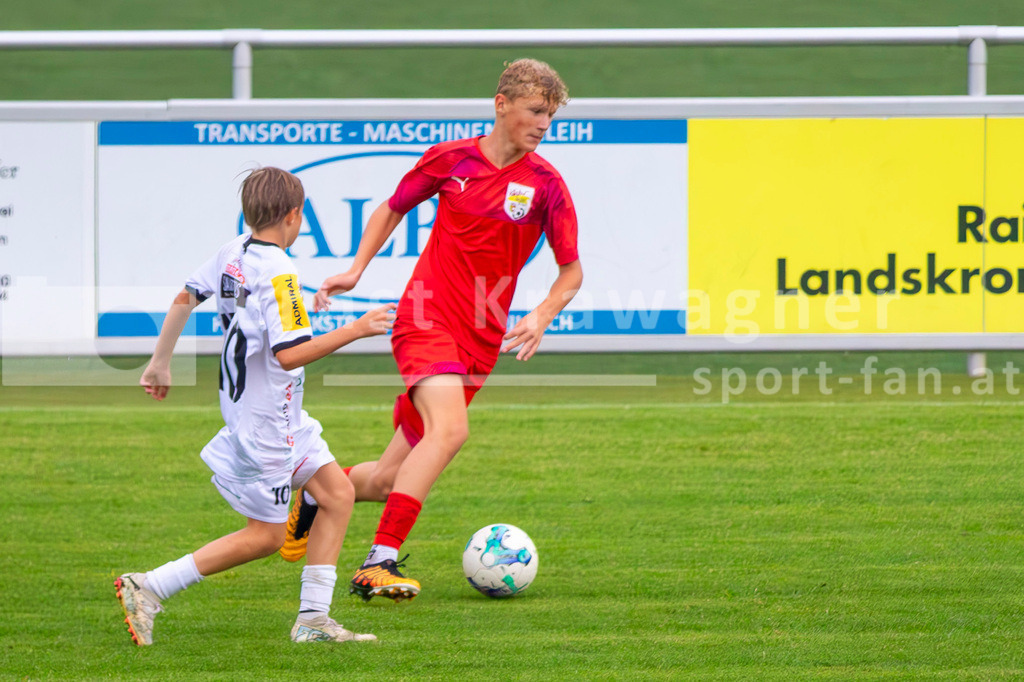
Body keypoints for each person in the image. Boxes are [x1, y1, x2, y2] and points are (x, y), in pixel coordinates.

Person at [280, 58, 583, 603]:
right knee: (451, 431)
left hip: (482, 340)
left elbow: (572, 271)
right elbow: (391, 209)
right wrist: (355, 269)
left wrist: (541, 313)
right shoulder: (450, 159)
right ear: (502, 104)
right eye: (536, 111)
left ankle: (315, 494)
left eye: (551, 116)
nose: (543, 124)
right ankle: (379, 562)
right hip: (426, 318)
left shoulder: (546, 186)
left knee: (385, 480)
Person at [115, 167, 395, 645]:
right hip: (267, 425)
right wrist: (355, 329)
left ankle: (312, 620)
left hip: (280, 416)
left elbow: (186, 295)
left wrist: (160, 362)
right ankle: (151, 585)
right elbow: (289, 355)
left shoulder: (234, 253)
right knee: (266, 536)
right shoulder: (282, 270)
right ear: (294, 216)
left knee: (338, 495)